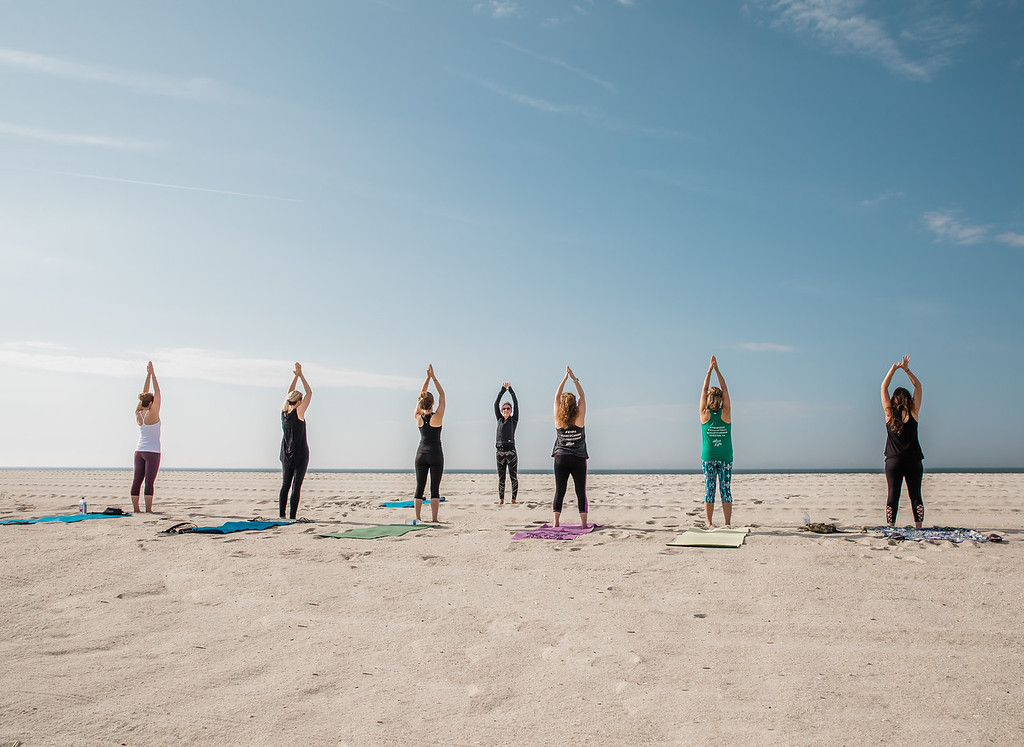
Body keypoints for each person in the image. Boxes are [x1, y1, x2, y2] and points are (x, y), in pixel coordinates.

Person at [881, 355, 924, 528]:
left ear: (893, 400)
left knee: (893, 494)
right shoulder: (913, 412)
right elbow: (918, 386)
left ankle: (891, 526)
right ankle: (919, 527)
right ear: (908, 399)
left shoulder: (889, 414)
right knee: (915, 495)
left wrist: (893, 369)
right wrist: (906, 369)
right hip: (913, 461)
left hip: (893, 461)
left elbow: (884, 386)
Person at [552, 366, 588, 528]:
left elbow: (556, 396)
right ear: (574, 405)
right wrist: (573, 378)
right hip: (578, 458)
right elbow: (582, 395)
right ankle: (584, 524)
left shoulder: (558, 419)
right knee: (580, 491)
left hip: (561, 457)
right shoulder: (580, 417)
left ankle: (556, 522)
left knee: (560, 491)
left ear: (562, 406)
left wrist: (564, 378)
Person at [700, 355, 733, 528]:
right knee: (725, 490)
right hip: (725, 457)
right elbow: (725, 388)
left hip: (709, 458)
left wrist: (709, 370)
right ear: (720, 400)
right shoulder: (725, 412)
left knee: (709, 490)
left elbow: (704, 389)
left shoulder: (704, 413)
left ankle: (709, 523)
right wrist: (717, 369)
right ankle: (726, 523)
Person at [280, 363, 311, 520]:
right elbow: (310, 393)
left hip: (286, 453)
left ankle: (281, 516)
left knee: (285, 485)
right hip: (300, 454)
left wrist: (295, 376)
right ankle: (292, 516)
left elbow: (288, 394)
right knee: (295, 487)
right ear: (298, 401)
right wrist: (301, 376)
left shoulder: (284, 411)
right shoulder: (299, 411)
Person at [414, 364, 445, 522]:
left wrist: (426, 379)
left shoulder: (418, 417)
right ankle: (434, 519)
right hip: (435, 454)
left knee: (419, 488)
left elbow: (421, 397)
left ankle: (418, 518)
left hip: (421, 454)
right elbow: (442, 395)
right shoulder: (437, 416)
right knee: (434, 489)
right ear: (433, 403)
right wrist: (433, 377)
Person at [131, 361, 161, 513]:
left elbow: (145, 394)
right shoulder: (153, 413)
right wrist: (153, 374)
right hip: (152, 452)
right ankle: (148, 510)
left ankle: (136, 510)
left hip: (139, 451)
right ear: (151, 403)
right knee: (149, 481)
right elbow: (158, 392)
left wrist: (147, 375)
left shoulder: (139, 413)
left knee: (137, 480)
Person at [494, 382, 520, 505]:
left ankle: (513, 500)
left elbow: (516, 403)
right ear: (501, 410)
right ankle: (501, 499)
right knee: (501, 478)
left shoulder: (513, 420)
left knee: (513, 477)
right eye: (503, 408)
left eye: (508, 408)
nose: (505, 410)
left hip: (511, 452)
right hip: (499, 452)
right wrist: (502, 390)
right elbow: (495, 403)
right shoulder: (499, 419)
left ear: (511, 410)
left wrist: (511, 391)